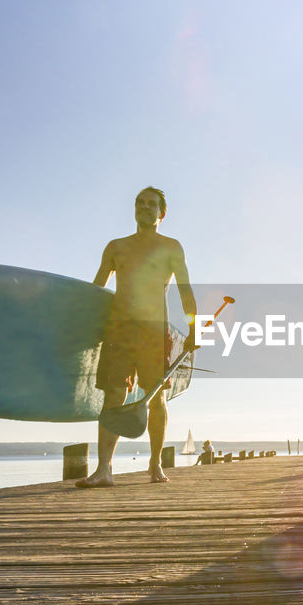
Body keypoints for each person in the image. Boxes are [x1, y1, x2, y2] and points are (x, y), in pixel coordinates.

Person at [77, 186, 196, 488]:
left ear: (161, 213)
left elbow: (185, 291)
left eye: (151, 204)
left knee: (155, 397)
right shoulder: (116, 247)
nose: (145, 207)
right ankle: (104, 469)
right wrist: (85, 326)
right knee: (113, 395)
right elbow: (97, 290)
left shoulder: (171, 247)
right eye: (140, 203)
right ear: (134, 209)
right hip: (119, 328)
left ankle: (154, 463)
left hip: (155, 329)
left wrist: (196, 327)